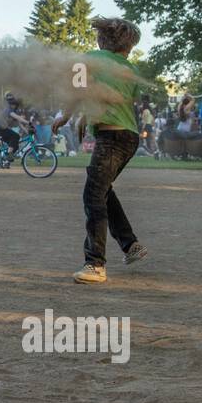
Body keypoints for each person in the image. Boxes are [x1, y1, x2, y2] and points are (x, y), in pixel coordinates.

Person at [53, 17, 148, 285]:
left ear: (101, 39)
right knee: (103, 191)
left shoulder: (91, 58)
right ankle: (130, 246)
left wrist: (66, 117)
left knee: (92, 196)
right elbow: (114, 101)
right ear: (126, 46)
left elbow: (78, 89)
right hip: (128, 138)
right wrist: (88, 117)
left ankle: (95, 264)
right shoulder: (130, 69)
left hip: (111, 138)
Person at [0, 92, 29, 161]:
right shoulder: (8, 110)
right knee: (16, 136)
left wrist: (27, 132)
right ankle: (8, 155)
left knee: (15, 145)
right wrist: (28, 122)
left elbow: (19, 124)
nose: (14, 106)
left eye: (15, 104)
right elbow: (18, 118)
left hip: (2, 129)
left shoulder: (12, 111)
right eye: (13, 104)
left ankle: (6, 159)